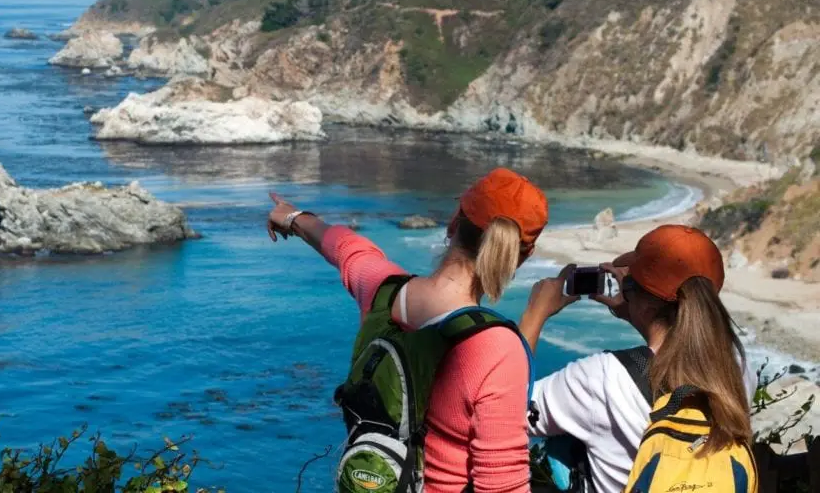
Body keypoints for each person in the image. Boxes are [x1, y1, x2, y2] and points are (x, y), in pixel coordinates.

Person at [266, 168, 549, 493]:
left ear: (453, 222)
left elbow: (347, 248)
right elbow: (502, 487)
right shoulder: (497, 347)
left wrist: (292, 217)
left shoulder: (383, 293)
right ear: (520, 258)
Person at [518, 225, 757, 493]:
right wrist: (638, 312)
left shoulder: (602, 378)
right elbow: (672, 349)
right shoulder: (739, 367)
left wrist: (534, 315)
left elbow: (507, 412)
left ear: (644, 300)